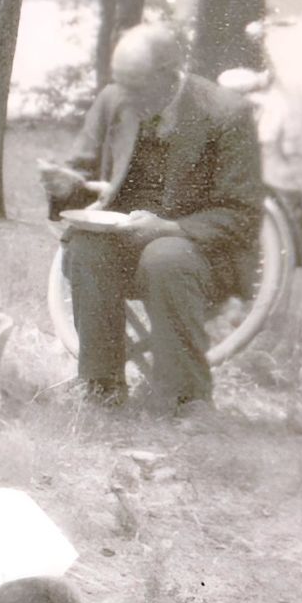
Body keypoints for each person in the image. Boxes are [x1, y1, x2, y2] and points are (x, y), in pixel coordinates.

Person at [44, 24, 264, 411]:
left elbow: (242, 214)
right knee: (86, 248)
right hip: (126, 245)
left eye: (136, 86)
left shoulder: (227, 113)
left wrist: (169, 228)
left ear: (169, 72)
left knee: (165, 256)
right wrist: (65, 187)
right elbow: (83, 176)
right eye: (121, 84)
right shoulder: (115, 100)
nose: (125, 96)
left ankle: (186, 398)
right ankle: (101, 387)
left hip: (204, 256)